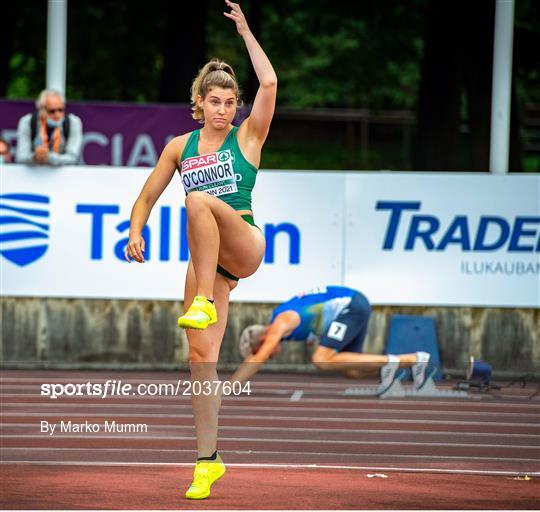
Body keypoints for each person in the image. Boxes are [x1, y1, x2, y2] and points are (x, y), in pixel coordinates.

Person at [124, 0, 276, 501]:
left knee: (197, 200)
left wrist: (247, 31)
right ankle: (207, 460)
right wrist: (135, 231)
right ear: (199, 103)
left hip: (244, 244)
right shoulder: (178, 147)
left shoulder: (248, 138)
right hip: (207, 266)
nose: (224, 109)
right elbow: (146, 197)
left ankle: (204, 299)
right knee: (200, 357)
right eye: (215, 101)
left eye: (230, 102)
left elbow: (270, 86)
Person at [231, 285, 431, 391]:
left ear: (261, 341)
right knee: (352, 370)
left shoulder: (281, 322)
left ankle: (407, 360)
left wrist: (227, 388)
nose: (271, 356)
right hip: (352, 306)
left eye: (266, 352)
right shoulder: (284, 328)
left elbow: (258, 359)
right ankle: (404, 368)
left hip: (350, 305)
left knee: (321, 359)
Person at [15, 89, 83, 166]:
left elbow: (73, 157)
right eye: (52, 111)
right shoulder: (27, 121)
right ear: (41, 110)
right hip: (34, 175)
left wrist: (49, 157)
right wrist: (34, 157)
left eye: (61, 110)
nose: (57, 115)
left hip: (65, 175)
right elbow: (21, 157)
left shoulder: (73, 122)